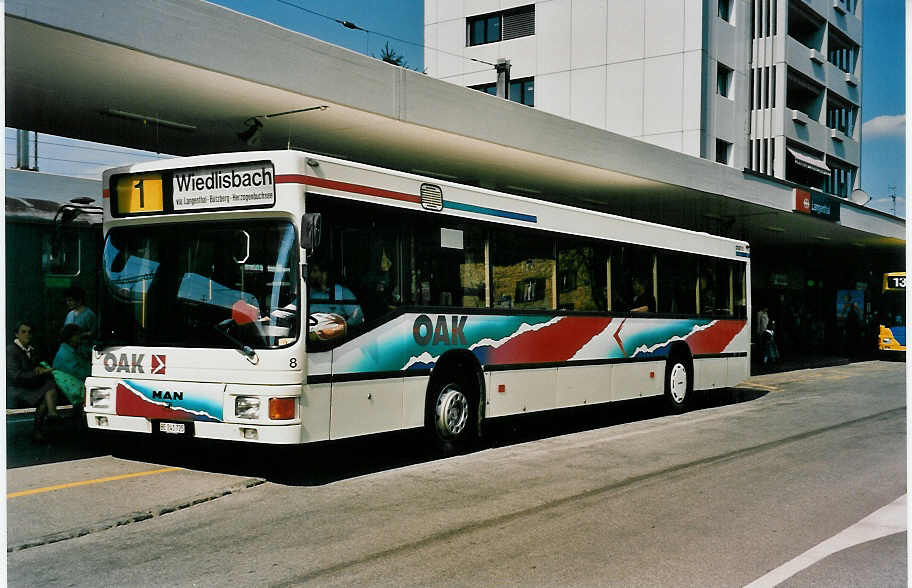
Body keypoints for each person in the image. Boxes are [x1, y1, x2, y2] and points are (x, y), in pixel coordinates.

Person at [7, 321, 60, 442]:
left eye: (30, 332)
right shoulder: (11, 351)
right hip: (15, 388)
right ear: (16, 334)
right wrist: (37, 373)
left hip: (28, 385)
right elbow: (15, 376)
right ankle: (48, 419)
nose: (27, 335)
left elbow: (34, 366)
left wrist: (39, 369)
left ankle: (47, 421)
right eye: (23, 332)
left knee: (49, 386)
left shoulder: (32, 349)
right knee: (47, 391)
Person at [53, 323, 91, 411]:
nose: (80, 338)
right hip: (71, 386)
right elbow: (78, 372)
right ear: (70, 337)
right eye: (77, 335)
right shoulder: (65, 353)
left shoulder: (74, 350)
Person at [63, 286, 97, 356]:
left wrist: (80, 336)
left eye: (70, 300)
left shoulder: (89, 314)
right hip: (70, 351)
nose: (68, 303)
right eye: (67, 301)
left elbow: (94, 333)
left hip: (84, 351)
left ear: (79, 300)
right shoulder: (70, 314)